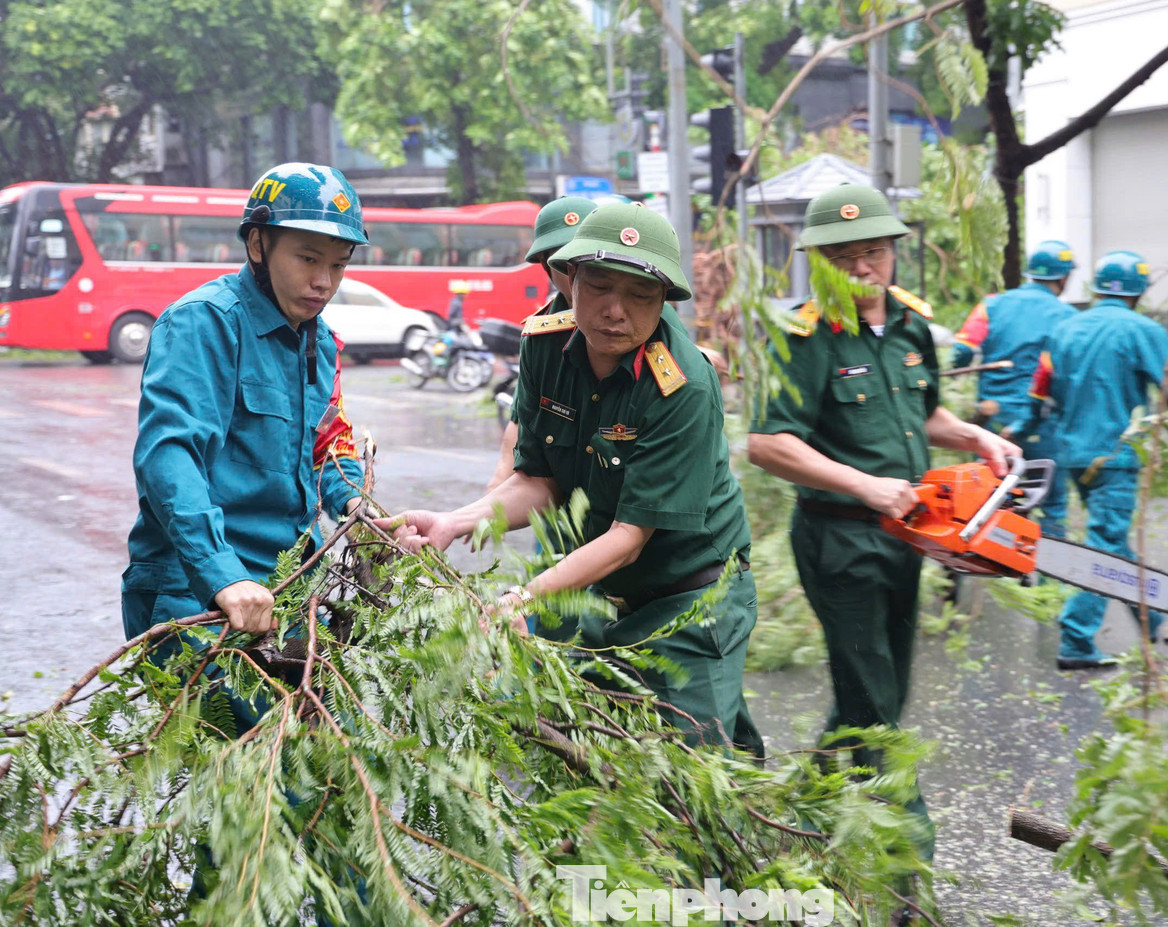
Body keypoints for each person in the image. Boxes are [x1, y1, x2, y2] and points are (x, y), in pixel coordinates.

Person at [380, 203, 763, 756]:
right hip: (604, 593)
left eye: (640, 297)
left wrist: (522, 599)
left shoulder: (682, 386)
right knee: (606, 754)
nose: (615, 311)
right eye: (600, 287)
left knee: (690, 764)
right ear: (569, 279)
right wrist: (455, 521)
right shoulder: (543, 344)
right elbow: (540, 480)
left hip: (691, 599)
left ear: (663, 304)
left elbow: (629, 539)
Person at [120, 162, 368, 916]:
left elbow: (327, 443)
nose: (323, 280)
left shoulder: (317, 341)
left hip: (288, 601)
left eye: (337, 264)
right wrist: (224, 576)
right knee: (287, 789)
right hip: (194, 601)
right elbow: (170, 458)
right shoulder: (204, 323)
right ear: (258, 245)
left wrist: (360, 505)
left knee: (309, 794)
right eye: (306, 258)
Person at [746, 184, 1020, 860]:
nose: (861, 268)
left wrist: (976, 439)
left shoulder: (908, 325)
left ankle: (808, 794)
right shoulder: (803, 337)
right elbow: (769, 442)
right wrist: (866, 486)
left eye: (872, 252)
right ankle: (906, 861)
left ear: (893, 253)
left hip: (909, 533)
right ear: (817, 263)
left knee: (882, 686)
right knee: (876, 703)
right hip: (840, 539)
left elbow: (920, 414)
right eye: (843, 256)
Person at [1022, 250, 1168, 670]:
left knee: (1110, 540)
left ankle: (1151, 620)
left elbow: (1042, 390)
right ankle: (1076, 638)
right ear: (1138, 292)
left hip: (1073, 455)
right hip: (1115, 456)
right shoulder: (1142, 330)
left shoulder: (1064, 329)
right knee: (1105, 548)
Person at [952, 240, 1078, 537]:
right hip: (1043, 422)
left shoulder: (992, 305)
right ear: (1063, 277)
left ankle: (992, 566)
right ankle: (1048, 576)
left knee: (988, 497)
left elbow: (961, 351)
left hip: (993, 422)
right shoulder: (1069, 318)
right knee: (1051, 502)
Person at [484, 195, 598, 494]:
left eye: (586, 259)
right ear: (547, 268)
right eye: (563, 263)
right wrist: (493, 496)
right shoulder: (541, 339)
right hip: (557, 504)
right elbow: (522, 421)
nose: (577, 274)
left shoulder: (642, 323)